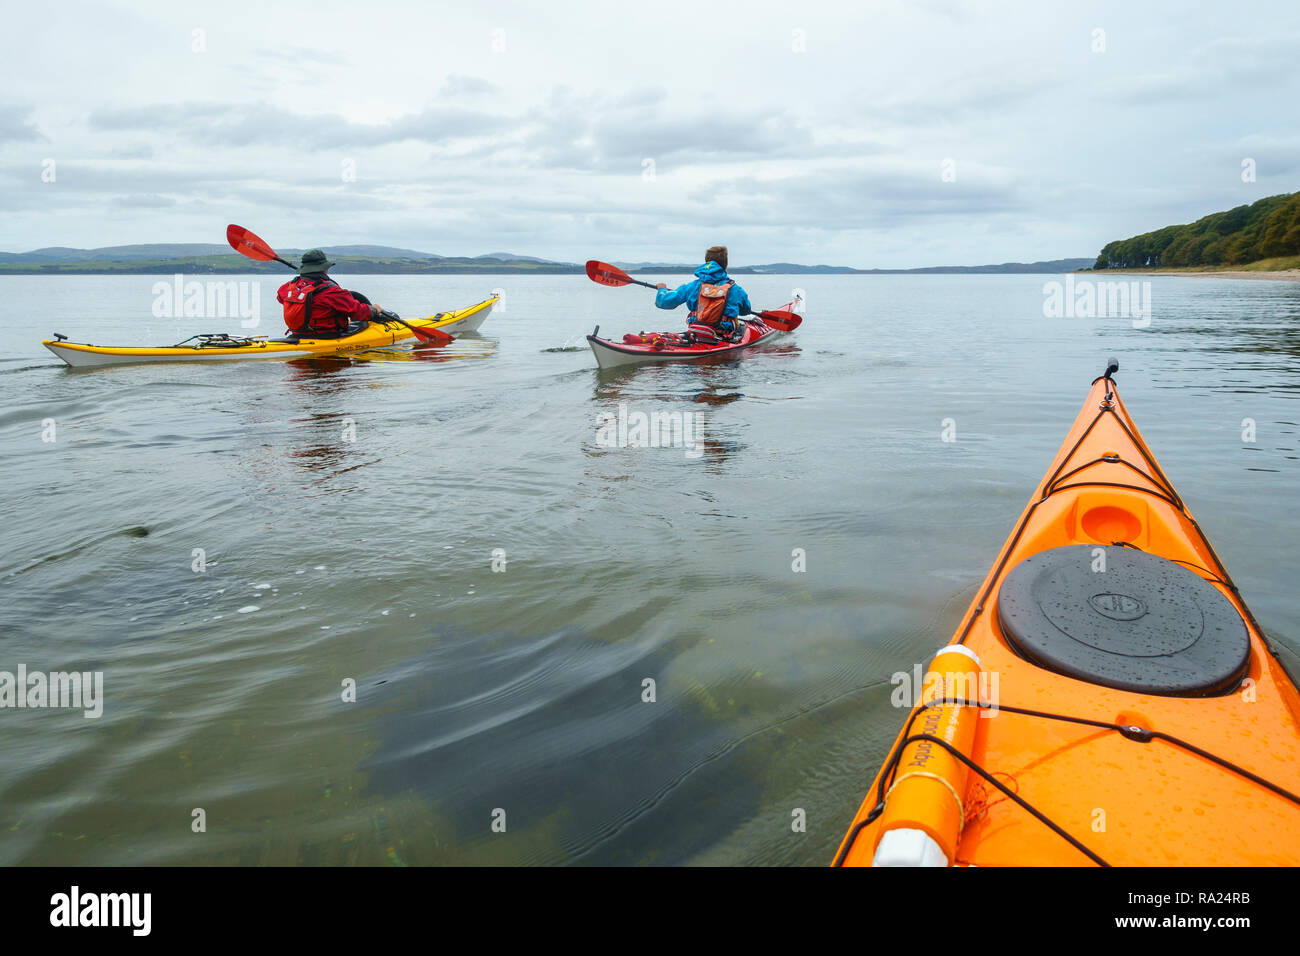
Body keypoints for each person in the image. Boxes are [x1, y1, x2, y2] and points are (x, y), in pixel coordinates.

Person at [276, 249, 386, 338]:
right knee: (364, 323)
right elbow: (359, 313)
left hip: (298, 334)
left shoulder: (289, 286)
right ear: (324, 269)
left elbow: (281, 298)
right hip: (327, 336)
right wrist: (374, 309)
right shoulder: (332, 292)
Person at [654, 246, 753, 343]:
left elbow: (663, 302)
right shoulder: (736, 289)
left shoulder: (693, 286)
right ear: (725, 264)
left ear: (706, 261)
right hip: (723, 335)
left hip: (697, 331)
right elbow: (746, 310)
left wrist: (662, 289)